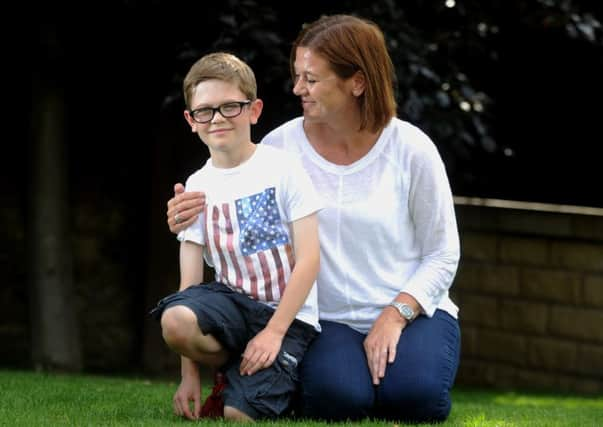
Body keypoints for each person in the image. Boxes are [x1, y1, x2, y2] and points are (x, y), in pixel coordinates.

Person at [166, 14, 461, 423]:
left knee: (416, 400)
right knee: (337, 401)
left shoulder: (412, 149)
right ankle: (250, 379)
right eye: (297, 75)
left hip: (410, 311)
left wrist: (396, 315)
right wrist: (190, 218)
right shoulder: (280, 147)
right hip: (325, 321)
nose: (296, 88)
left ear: (356, 82)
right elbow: (249, 249)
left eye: (310, 78)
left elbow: (443, 253)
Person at [151, 52, 323, 421]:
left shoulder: (284, 168)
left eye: (230, 107)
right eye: (205, 111)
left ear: (254, 110)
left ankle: (260, 380)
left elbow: (310, 259)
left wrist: (274, 333)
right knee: (175, 319)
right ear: (191, 120)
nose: (217, 119)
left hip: (288, 318)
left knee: (237, 417)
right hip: (232, 309)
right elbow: (191, 285)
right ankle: (232, 371)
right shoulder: (197, 186)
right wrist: (188, 375)